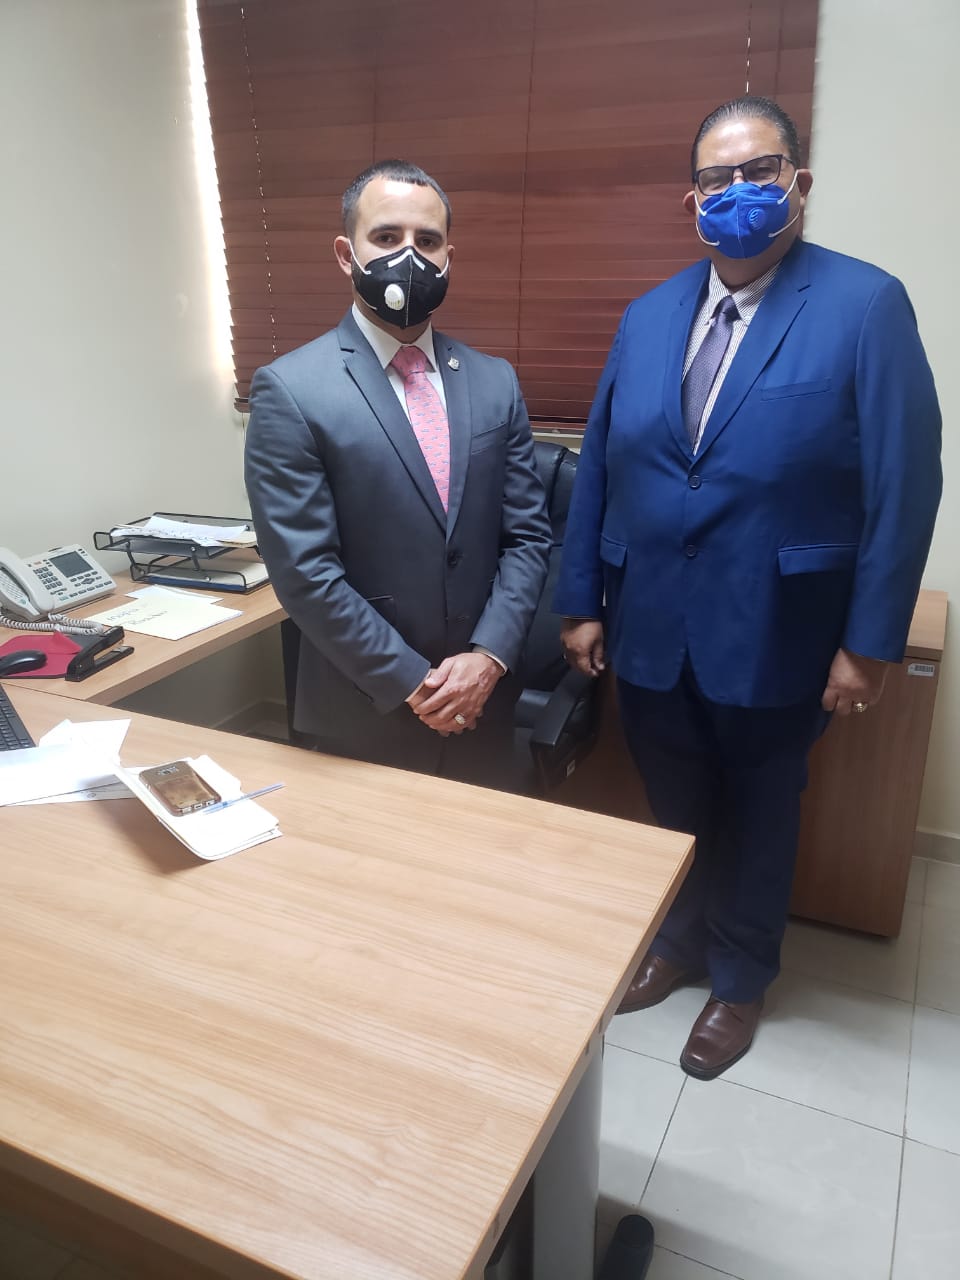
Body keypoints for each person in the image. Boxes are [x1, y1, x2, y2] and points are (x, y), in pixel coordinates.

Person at [555, 96, 942, 1080]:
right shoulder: (648, 316)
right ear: (691, 200)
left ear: (798, 183)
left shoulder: (865, 305)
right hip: (650, 624)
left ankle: (740, 976)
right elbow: (602, 465)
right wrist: (581, 600)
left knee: (764, 810)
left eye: (758, 171)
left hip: (782, 629)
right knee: (675, 800)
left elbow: (906, 483)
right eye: (715, 178)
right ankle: (680, 940)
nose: (737, 192)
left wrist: (870, 641)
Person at [245, 160, 551, 786]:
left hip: (484, 701)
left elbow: (526, 538)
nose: (408, 255)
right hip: (366, 709)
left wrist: (488, 660)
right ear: (346, 253)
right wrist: (415, 682)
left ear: (448, 258)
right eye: (386, 237)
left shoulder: (495, 381)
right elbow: (305, 574)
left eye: (427, 240)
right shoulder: (291, 390)